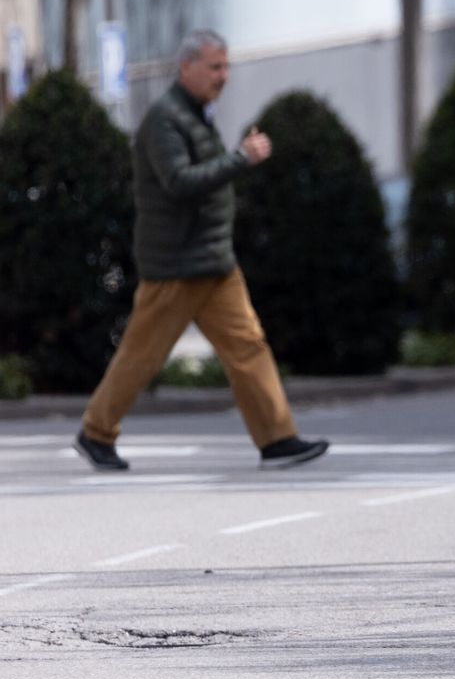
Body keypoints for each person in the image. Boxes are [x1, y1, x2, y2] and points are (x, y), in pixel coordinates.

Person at [74, 29, 329, 472]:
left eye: (226, 66)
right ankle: (96, 432)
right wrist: (241, 159)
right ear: (186, 67)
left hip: (212, 261)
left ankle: (277, 439)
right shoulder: (165, 119)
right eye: (215, 67)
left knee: (248, 345)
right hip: (176, 265)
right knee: (143, 354)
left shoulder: (194, 115)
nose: (223, 76)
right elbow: (180, 182)